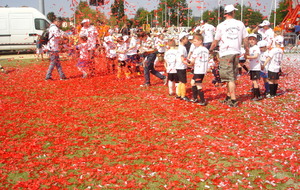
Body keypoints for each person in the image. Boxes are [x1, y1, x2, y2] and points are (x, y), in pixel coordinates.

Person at [209, 4, 249, 107]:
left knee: (230, 78)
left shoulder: (221, 25)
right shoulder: (240, 24)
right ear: (233, 12)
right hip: (236, 52)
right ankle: (228, 96)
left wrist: (210, 50)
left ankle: (233, 99)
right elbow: (245, 39)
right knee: (230, 76)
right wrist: (247, 51)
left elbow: (215, 41)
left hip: (225, 53)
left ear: (225, 14)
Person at [188, 33, 209, 106]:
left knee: (198, 84)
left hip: (198, 69)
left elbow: (192, 61)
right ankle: (195, 98)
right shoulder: (206, 50)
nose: (193, 43)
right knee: (192, 82)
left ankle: (202, 100)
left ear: (200, 41)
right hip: (203, 69)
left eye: (195, 41)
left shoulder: (196, 50)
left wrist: (187, 63)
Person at [245, 34, 262, 101]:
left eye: (253, 39)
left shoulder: (256, 48)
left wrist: (247, 57)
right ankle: (256, 94)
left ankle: (257, 96)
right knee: (253, 81)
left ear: (256, 41)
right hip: (252, 67)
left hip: (256, 67)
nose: (251, 41)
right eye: (250, 39)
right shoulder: (250, 48)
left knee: (255, 81)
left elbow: (255, 56)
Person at [176, 32, 190, 101]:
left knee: (180, 81)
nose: (187, 40)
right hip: (181, 66)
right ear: (182, 39)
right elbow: (182, 58)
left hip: (179, 66)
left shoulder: (180, 47)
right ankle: (183, 95)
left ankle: (179, 94)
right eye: (186, 38)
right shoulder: (182, 48)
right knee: (183, 81)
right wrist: (188, 64)